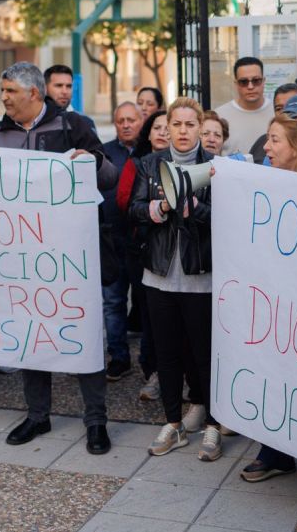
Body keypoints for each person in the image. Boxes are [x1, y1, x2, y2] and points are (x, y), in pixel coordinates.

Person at [0, 62, 117, 455]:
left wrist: (92, 162)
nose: (4, 98)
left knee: (84, 333)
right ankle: (38, 415)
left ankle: (96, 420)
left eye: (10, 91)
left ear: (33, 93)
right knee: (31, 335)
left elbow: (108, 178)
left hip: (72, 257)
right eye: (3, 90)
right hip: (23, 258)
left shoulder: (73, 126)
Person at [130, 97, 227, 461]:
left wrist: (196, 209)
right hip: (159, 275)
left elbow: (226, 217)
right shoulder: (149, 164)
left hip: (200, 276)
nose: (183, 131)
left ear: (200, 127)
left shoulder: (215, 166)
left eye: (190, 125)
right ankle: (173, 422)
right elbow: (133, 209)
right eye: (177, 124)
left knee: (204, 354)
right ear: (167, 127)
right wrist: (158, 208)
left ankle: (213, 423)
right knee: (167, 354)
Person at [240, 109, 297, 486]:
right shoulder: (264, 183)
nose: (267, 148)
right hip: (274, 304)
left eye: (275, 140)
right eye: (267, 139)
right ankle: (275, 452)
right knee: (274, 377)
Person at [116, 109, 169, 399]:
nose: (163, 132)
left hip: (173, 252)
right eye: (157, 127)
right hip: (142, 249)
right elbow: (125, 202)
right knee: (150, 314)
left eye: (167, 127)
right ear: (147, 133)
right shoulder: (137, 163)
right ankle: (152, 372)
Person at [100, 102, 142, 381]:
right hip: (112, 241)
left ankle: (151, 362)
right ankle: (118, 357)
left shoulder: (149, 151)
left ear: (141, 121)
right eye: (120, 121)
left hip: (141, 243)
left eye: (131, 120)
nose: (126, 125)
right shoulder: (104, 153)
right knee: (113, 302)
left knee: (146, 304)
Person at [213, 56, 274, 155]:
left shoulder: (277, 112)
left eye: (256, 80)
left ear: (263, 81)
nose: (250, 86)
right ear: (236, 83)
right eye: (243, 82)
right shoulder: (219, 116)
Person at [43, 65, 97, 131]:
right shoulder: (35, 121)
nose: (65, 91)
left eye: (69, 86)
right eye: (59, 86)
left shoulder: (84, 123)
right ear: (45, 88)